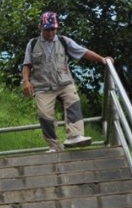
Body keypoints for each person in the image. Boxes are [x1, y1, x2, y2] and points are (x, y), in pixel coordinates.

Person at [22, 11, 114, 152]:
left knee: (73, 102)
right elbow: (27, 64)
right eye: (47, 29)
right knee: (45, 115)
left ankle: (75, 136)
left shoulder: (64, 41)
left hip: (64, 83)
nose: (50, 32)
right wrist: (26, 81)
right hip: (42, 86)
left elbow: (83, 52)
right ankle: (54, 146)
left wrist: (102, 59)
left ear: (57, 28)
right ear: (40, 27)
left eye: (53, 29)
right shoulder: (33, 44)